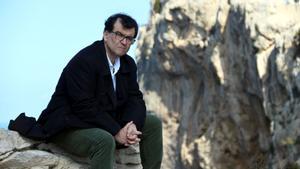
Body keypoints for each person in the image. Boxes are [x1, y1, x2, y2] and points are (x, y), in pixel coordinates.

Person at [9, 13, 163, 169]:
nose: (124, 42)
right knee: (104, 140)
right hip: (69, 125)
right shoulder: (85, 61)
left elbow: (135, 98)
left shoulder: (128, 63)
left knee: (153, 123)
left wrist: (131, 125)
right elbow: (84, 107)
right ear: (106, 34)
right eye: (119, 35)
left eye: (129, 38)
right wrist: (117, 131)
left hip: (102, 120)